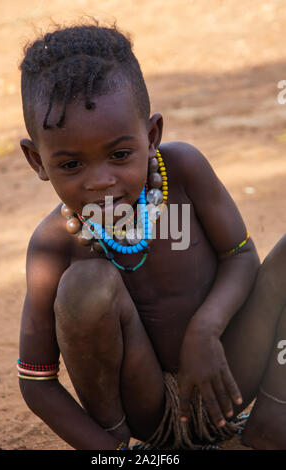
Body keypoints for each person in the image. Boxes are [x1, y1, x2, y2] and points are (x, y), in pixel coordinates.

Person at [17, 22, 286, 450]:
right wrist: (114, 456)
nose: (101, 182)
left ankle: (270, 427)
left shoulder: (181, 173)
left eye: (120, 155)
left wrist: (205, 331)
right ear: (37, 160)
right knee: (86, 285)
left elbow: (240, 256)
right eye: (71, 165)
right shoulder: (53, 245)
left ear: (152, 136)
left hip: (227, 368)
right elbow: (36, 382)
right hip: (149, 414)